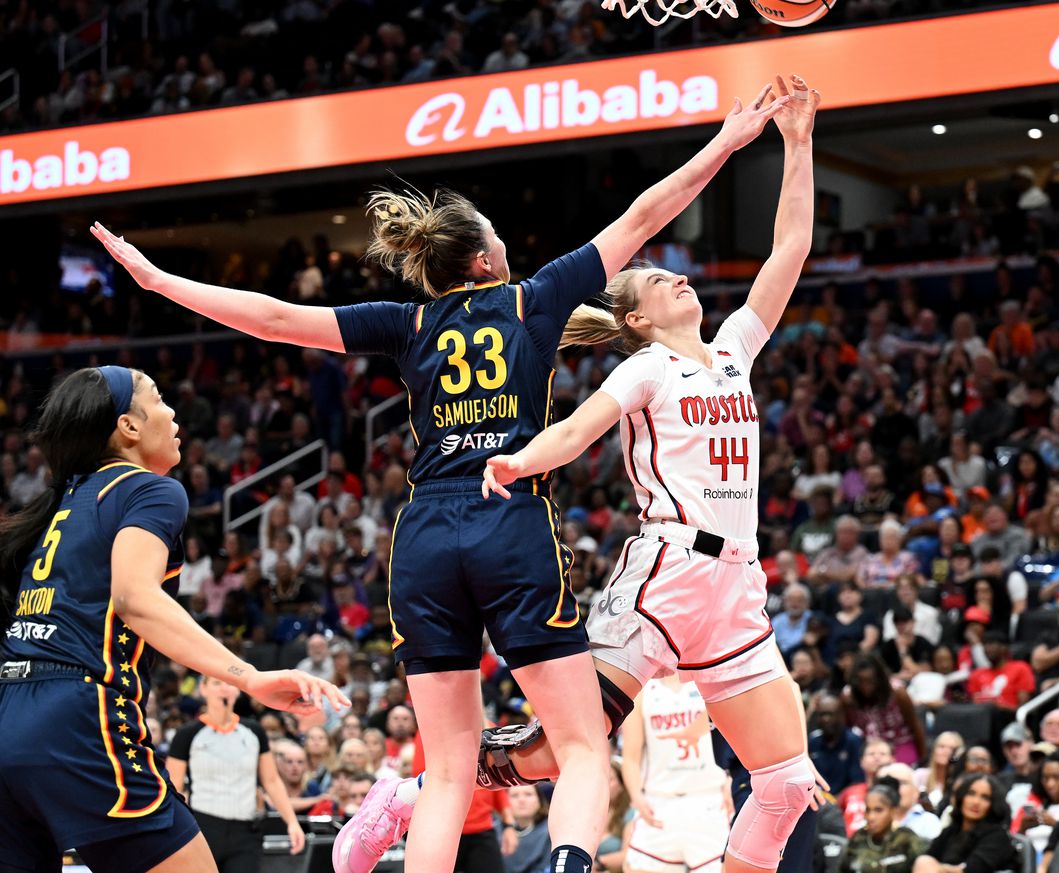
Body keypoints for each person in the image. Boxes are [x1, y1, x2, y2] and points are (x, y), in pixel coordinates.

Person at [96, 76, 803, 873]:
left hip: (424, 532)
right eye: (499, 236)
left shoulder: (406, 323)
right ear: (483, 257)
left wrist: (159, 283)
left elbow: (272, 318)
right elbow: (644, 215)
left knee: (452, 768)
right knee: (578, 748)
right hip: (508, 514)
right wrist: (727, 141)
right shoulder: (534, 297)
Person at [472, 75, 823, 873]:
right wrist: (520, 460)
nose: (678, 277)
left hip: (735, 582)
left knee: (787, 781)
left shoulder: (733, 349)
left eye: (677, 272)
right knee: (568, 749)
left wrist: (797, 142)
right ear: (636, 319)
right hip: (665, 569)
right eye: (659, 279)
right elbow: (576, 428)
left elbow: (791, 250)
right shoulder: (650, 369)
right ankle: (428, 785)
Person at [0, 366, 345, 872]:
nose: (173, 412)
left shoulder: (61, 505)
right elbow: (135, 598)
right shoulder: (148, 489)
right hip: (80, 718)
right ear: (129, 427)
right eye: (158, 399)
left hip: (10, 721)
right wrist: (249, 677)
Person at [167, 675, 308, 872]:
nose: (224, 689)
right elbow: (174, 787)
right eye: (216, 683)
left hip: (246, 831)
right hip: (202, 827)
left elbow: (272, 781)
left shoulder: (254, 731)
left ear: (237, 690)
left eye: (229, 684)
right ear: (204, 689)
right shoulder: (187, 734)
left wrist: (292, 822)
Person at [621, 676, 732, 873]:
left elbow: (736, 733)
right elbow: (630, 757)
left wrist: (730, 777)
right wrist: (637, 797)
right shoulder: (644, 689)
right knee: (632, 867)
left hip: (708, 800)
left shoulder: (709, 676)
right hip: (659, 801)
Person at [912, 774, 1017, 873]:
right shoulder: (950, 832)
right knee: (924, 861)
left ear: (993, 804)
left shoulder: (997, 836)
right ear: (961, 797)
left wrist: (938, 869)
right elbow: (928, 858)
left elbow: (973, 870)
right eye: (971, 793)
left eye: (985, 797)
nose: (976, 802)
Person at [838, 782, 927, 873]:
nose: (871, 817)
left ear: (893, 811)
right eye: (868, 810)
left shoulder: (907, 839)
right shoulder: (859, 838)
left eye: (878, 810)